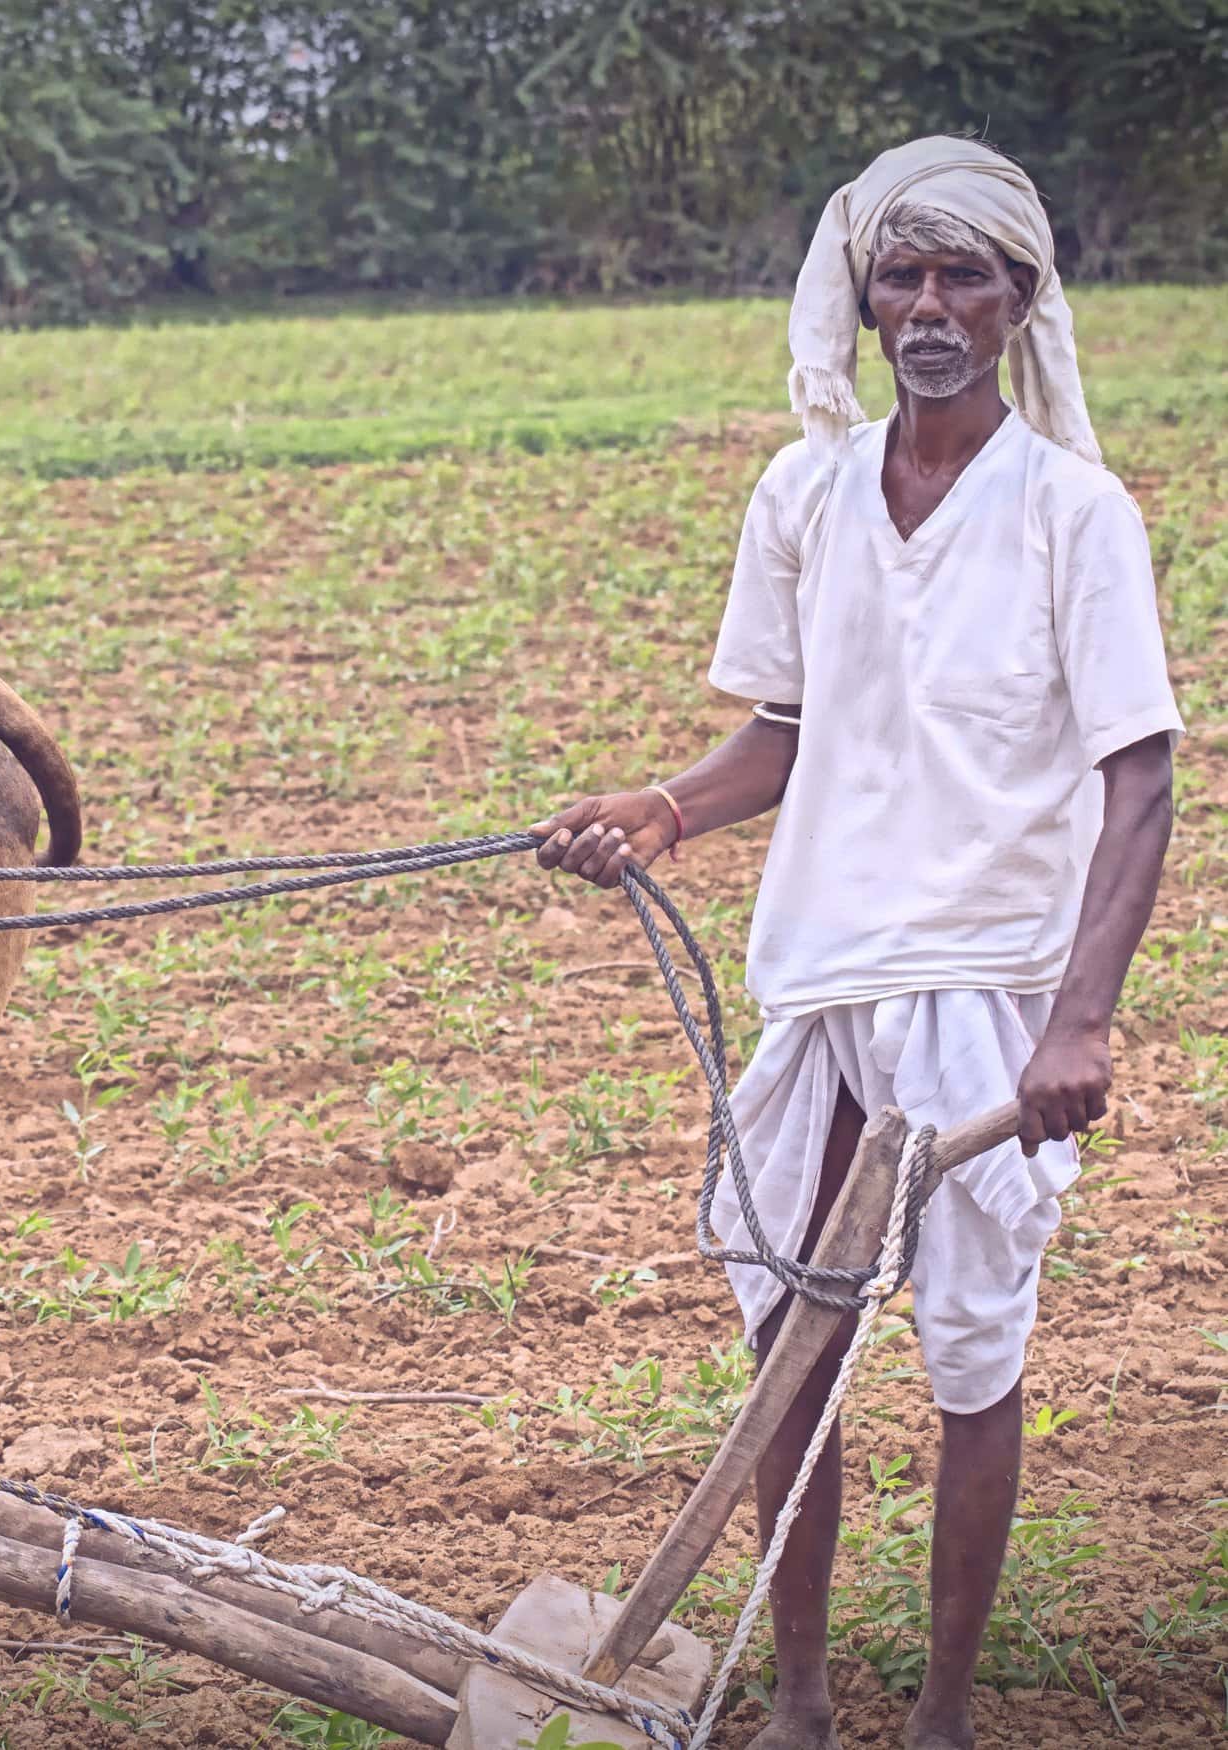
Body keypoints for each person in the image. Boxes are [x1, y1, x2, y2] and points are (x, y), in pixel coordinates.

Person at [534, 136, 1181, 1750]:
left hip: (985, 987)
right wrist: (665, 808)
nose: (931, 306)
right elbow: (783, 727)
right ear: (864, 297)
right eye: (903, 275)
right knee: (790, 1337)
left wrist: (1079, 1018)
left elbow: (1141, 778)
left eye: (965, 276)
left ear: (1020, 301)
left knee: (969, 1355)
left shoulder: (1073, 514)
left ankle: (943, 1713)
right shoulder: (805, 491)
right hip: (822, 974)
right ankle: (804, 1701)